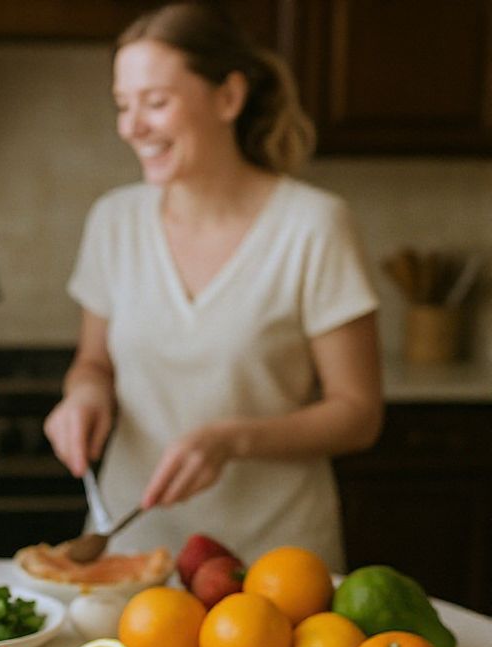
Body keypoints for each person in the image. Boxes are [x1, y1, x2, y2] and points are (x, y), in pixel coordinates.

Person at [44, 2, 382, 570]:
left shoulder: (313, 226)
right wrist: (84, 396)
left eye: (156, 102)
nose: (132, 127)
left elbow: (358, 413)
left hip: (275, 563)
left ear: (228, 97)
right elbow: (93, 363)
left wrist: (232, 440)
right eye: (123, 105)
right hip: (132, 552)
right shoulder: (114, 220)